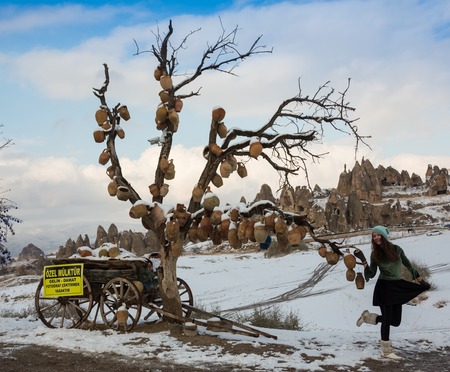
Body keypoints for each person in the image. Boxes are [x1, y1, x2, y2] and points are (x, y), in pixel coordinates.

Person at [353, 225, 431, 360]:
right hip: (384, 287)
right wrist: (363, 260)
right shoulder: (375, 254)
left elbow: (408, 264)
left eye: (378, 235)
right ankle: (386, 351)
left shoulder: (397, 249)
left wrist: (420, 280)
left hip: (397, 286)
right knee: (387, 319)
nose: (376, 238)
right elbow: (371, 274)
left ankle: (367, 318)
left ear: (384, 235)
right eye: (374, 236)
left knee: (395, 321)